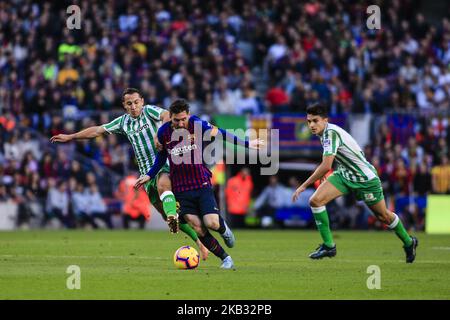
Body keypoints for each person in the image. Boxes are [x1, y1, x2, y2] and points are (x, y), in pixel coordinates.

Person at [50, 88, 208, 259]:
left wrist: (159, 134)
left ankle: (177, 216)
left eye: (136, 102)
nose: (133, 106)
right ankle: (196, 239)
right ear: (124, 105)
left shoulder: (149, 111)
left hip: (163, 164)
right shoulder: (123, 122)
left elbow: (166, 116)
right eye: (129, 103)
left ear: (142, 101)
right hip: (145, 174)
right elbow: (97, 130)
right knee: (165, 214)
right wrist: (71, 136)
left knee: (164, 186)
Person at [134, 99, 264, 269]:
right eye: (176, 120)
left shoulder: (197, 124)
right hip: (181, 189)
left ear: (188, 115)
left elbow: (221, 134)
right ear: (170, 118)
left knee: (211, 223)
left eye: (183, 119)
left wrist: (248, 144)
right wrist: (149, 175)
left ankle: (224, 230)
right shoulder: (164, 132)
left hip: (201, 183)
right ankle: (225, 259)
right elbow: (161, 157)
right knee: (197, 227)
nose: (180, 123)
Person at [292, 103, 418, 263]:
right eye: (309, 121)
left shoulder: (330, 134)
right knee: (315, 201)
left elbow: (326, 165)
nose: (311, 125)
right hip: (345, 175)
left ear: (325, 120)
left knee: (383, 216)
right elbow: (335, 159)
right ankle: (329, 246)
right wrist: (325, 174)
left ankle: (409, 242)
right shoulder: (324, 133)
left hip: (365, 180)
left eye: (315, 121)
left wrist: (303, 185)